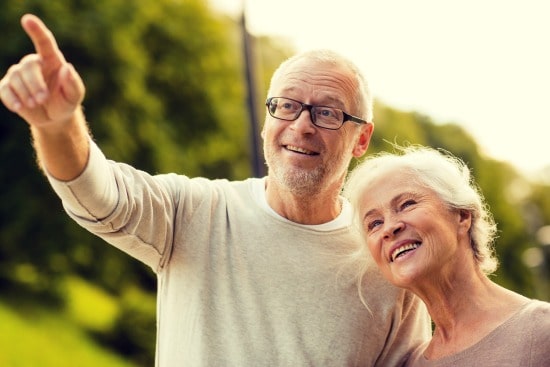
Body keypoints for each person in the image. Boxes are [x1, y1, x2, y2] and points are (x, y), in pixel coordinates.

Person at [0, 14, 431, 366]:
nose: (301, 125)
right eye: (286, 106)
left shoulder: (388, 264)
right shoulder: (196, 212)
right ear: (267, 119)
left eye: (327, 112)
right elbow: (96, 192)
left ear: (361, 138)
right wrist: (57, 125)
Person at [343, 144, 550, 366]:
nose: (389, 228)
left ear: (462, 215)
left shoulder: (541, 330)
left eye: (406, 204)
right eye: (374, 223)